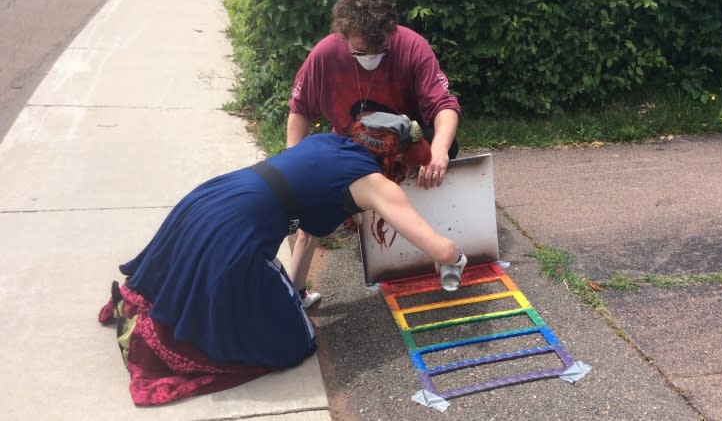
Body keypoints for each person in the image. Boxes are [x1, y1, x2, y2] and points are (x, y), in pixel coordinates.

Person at [97, 113, 468, 406]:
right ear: (397, 157)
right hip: (233, 230)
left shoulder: (329, 143)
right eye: (405, 166)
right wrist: (458, 256)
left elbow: (307, 230)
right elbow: (439, 250)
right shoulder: (375, 184)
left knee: (272, 301)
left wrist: (297, 292)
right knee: (294, 342)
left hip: (208, 201)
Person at [287, 0, 462, 306]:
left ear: (389, 32)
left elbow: (445, 106)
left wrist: (437, 151)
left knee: (445, 146)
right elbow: (300, 110)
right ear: (344, 34)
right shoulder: (325, 54)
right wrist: (292, 164)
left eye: (377, 50)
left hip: (401, 140)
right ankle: (295, 291)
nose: (369, 58)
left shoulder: (412, 47)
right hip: (349, 147)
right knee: (311, 204)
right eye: (360, 52)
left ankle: (404, 213)